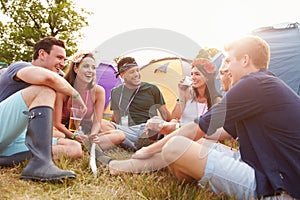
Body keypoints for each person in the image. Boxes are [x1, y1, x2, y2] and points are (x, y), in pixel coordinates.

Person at [102, 36, 300, 199]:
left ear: (245, 60)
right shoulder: (265, 84)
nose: (225, 69)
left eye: (229, 60)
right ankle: (125, 167)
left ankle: (127, 165)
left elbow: (198, 128)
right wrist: (173, 128)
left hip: (279, 187)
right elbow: (216, 133)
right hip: (265, 168)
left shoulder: (254, 83)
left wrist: (147, 150)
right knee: (198, 143)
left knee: (176, 147)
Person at [0, 37, 87, 181]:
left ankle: (6, 160)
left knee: (74, 148)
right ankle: (40, 164)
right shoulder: (19, 67)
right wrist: (76, 95)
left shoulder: (56, 75)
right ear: (42, 54)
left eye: (65, 59)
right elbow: (48, 79)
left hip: (14, 138)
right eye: (59, 57)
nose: (62, 63)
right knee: (44, 90)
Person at [53, 52, 125, 150]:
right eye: (86, 66)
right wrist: (72, 135)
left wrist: (93, 135)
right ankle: (79, 145)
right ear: (76, 69)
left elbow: (97, 122)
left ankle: (84, 144)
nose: (90, 71)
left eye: (93, 68)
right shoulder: (63, 89)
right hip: (62, 129)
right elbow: (56, 123)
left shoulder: (98, 91)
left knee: (119, 135)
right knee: (56, 134)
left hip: (84, 129)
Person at [100, 56, 171, 149]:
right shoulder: (116, 92)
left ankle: (128, 143)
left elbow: (167, 116)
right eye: (132, 72)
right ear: (122, 75)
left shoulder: (152, 89)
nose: (136, 74)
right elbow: (116, 119)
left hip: (148, 128)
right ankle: (130, 144)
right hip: (127, 130)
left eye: (137, 70)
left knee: (154, 127)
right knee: (100, 123)